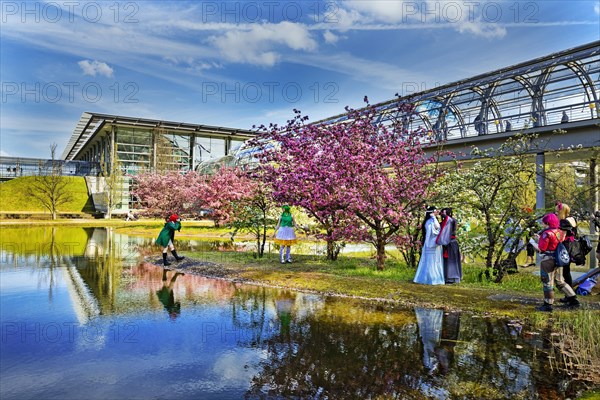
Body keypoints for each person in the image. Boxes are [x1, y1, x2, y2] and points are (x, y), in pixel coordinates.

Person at [530, 213, 580, 311]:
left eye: (544, 223)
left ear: (547, 223)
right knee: (560, 281)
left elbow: (541, 249)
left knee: (547, 282)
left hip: (548, 260)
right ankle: (573, 300)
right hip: (558, 259)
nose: (542, 225)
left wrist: (532, 242)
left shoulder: (547, 233)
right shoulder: (560, 232)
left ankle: (548, 304)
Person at [414, 206, 445, 285]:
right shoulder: (429, 222)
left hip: (434, 244)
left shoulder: (432, 220)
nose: (437, 212)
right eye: (435, 211)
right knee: (430, 261)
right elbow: (436, 228)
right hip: (430, 243)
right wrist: (434, 218)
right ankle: (429, 278)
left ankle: (435, 278)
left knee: (435, 261)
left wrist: (434, 218)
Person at [437, 208, 462, 284]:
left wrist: (443, 214)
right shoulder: (442, 223)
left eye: (445, 213)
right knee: (445, 261)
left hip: (452, 243)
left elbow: (449, 221)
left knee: (452, 261)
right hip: (445, 244)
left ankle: (453, 277)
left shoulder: (452, 221)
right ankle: (446, 277)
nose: (443, 214)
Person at [555, 202, 577, 289]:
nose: (556, 213)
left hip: (565, 247)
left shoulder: (564, 222)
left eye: (557, 211)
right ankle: (568, 293)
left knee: (565, 271)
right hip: (571, 246)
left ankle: (569, 294)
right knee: (566, 271)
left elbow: (562, 237)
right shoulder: (572, 219)